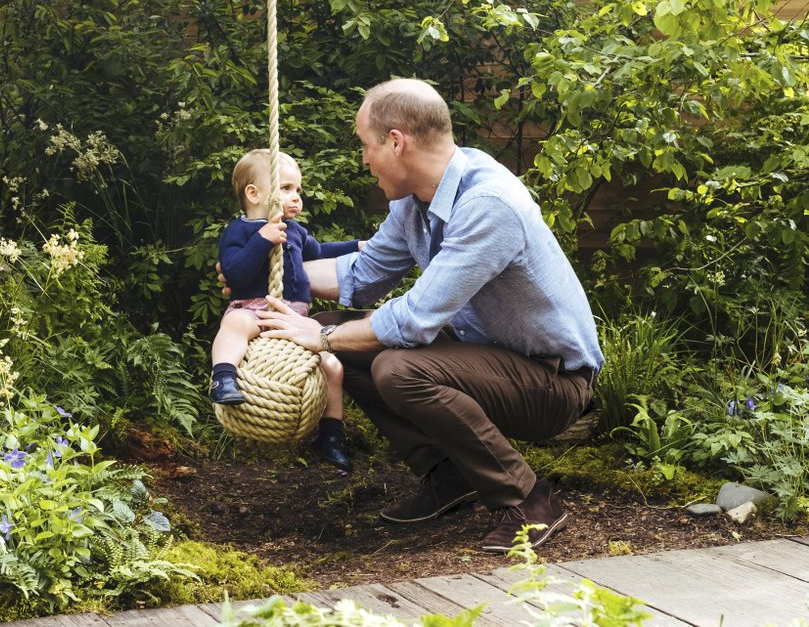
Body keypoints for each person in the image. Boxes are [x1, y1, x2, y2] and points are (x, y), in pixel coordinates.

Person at [253, 78, 604, 552]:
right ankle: (449, 473)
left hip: (552, 383)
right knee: (341, 331)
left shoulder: (488, 204)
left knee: (395, 367)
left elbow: (415, 319)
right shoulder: (414, 202)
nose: (363, 159)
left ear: (396, 142)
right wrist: (259, 274)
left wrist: (323, 339)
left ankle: (529, 500)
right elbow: (364, 272)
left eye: (366, 145)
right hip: (485, 360)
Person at [210, 148, 363, 471]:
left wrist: (357, 246)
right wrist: (263, 240)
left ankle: (331, 435)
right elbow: (235, 273)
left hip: (294, 320)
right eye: (286, 188)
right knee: (235, 322)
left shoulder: (294, 230)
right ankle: (223, 377)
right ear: (254, 194)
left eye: (298, 190)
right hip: (255, 310)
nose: (297, 197)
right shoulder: (238, 232)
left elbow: (319, 251)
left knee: (332, 366)